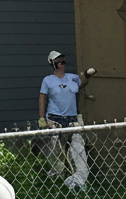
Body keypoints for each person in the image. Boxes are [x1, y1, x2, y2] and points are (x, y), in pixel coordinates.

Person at [38, 51, 94, 190]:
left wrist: (87, 75)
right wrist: (42, 118)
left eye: (63, 61)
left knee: (78, 150)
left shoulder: (72, 78)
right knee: (56, 153)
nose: (62, 64)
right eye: (59, 62)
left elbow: (82, 82)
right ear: (52, 63)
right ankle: (55, 186)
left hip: (72, 119)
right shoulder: (48, 80)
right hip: (55, 119)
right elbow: (42, 98)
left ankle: (78, 184)